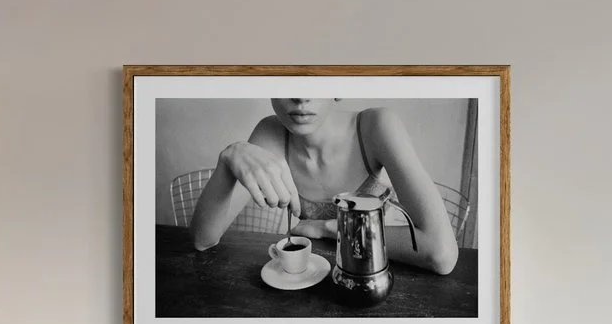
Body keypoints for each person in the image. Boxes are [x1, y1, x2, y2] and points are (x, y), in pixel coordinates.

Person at [188, 99, 460, 274]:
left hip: (379, 277)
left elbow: (441, 253)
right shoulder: (271, 132)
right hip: (316, 280)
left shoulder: (376, 125)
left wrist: (325, 228)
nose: (301, 96)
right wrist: (229, 156)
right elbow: (203, 240)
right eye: (285, 79)